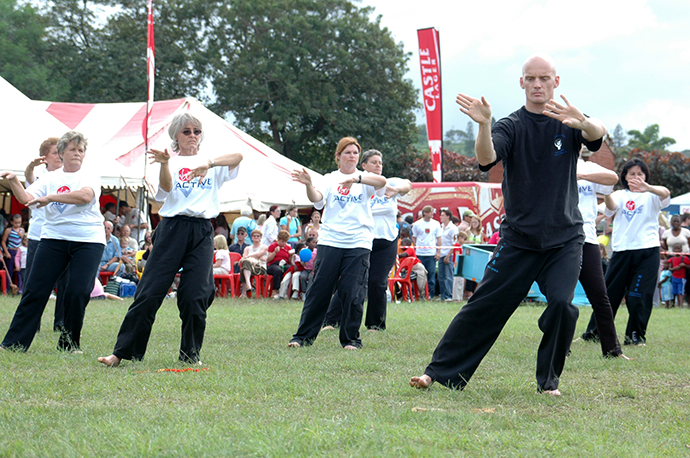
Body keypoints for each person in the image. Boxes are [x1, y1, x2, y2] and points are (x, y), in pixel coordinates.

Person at [410, 54, 607, 395]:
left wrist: (585, 123)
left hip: (564, 238)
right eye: (531, 78)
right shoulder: (510, 125)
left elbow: (597, 135)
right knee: (483, 306)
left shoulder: (569, 122)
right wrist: (484, 125)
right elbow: (487, 159)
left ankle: (548, 382)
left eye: (544, 78)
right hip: (519, 239)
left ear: (555, 82)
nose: (537, 84)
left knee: (562, 305)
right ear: (522, 83)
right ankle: (437, 372)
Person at [98, 112, 242, 367]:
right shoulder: (170, 162)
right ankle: (121, 353)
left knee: (196, 295)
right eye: (186, 131)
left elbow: (238, 156)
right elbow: (163, 194)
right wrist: (165, 164)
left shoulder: (212, 163)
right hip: (172, 228)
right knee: (149, 292)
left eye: (196, 131)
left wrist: (208, 163)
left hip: (201, 230)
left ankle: (190, 354)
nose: (192, 136)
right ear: (176, 135)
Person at [0, 131, 105, 352]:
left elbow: (85, 196)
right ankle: (13, 344)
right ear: (61, 153)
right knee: (35, 290)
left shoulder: (90, 175)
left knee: (77, 291)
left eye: (80, 150)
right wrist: (14, 182)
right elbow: (27, 199)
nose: (77, 153)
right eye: (72, 149)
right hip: (53, 238)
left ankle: (69, 343)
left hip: (88, 240)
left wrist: (50, 198)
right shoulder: (50, 178)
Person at [288, 136, 386, 349]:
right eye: (348, 152)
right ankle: (302, 337)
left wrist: (358, 180)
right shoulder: (329, 178)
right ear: (338, 156)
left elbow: (382, 182)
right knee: (319, 290)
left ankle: (351, 339)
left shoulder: (366, 177)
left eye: (355, 152)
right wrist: (308, 185)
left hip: (359, 241)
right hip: (331, 239)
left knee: (353, 291)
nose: (352, 156)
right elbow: (317, 199)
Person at [581, 158, 670, 346]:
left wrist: (647, 187)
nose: (636, 177)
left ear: (645, 176)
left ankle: (635, 336)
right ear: (625, 177)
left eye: (640, 173)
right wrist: (607, 192)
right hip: (622, 251)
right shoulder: (620, 195)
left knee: (638, 296)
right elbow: (610, 208)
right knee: (608, 295)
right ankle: (594, 333)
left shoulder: (652, 195)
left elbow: (666, 193)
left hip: (647, 252)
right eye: (632, 174)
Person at [322, 149, 412, 330]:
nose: (378, 166)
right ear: (363, 166)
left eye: (380, 162)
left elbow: (408, 184)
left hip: (387, 241)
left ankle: (375, 324)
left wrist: (397, 190)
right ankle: (332, 321)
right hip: (362, 240)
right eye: (374, 162)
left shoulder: (388, 182)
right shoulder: (356, 183)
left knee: (377, 282)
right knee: (351, 279)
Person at [575, 157, 627, 358]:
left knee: (600, 295)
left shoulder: (588, 167)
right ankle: (561, 347)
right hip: (562, 239)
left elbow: (612, 178)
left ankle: (613, 350)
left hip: (588, 238)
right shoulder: (552, 161)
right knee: (562, 297)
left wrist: (580, 175)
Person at [411, 205, 442, 299]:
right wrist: (417, 247)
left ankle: (430, 295)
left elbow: (439, 238)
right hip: (420, 253)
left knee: (431, 275)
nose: (433, 213)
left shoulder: (436, 224)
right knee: (419, 274)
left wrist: (438, 252)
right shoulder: (417, 224)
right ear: (425, 213)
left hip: (431, 253)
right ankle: (418, 294)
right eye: (431, 212)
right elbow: (414, 237)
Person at [239, 229, 268, 298]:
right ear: (251, 237)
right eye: (254, 236)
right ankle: (248, 285)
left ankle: (244, 292)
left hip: (260, 267)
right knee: (245, 264)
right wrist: (256, 256)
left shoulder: (264, 247)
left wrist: (249, 256)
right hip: (250, 267)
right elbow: (244, 257)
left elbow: (258, 254)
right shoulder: (247, 248)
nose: (256, 237)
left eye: (258, 236)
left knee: (244, 266)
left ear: (261, 237)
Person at [439, 209, 459, 302]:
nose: (441, 217)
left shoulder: (453, 228)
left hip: (448, 254)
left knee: (448, 275)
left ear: (448, 216)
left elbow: (454, 243)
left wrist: (448, 255)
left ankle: (449, 295)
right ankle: (443, 295)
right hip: (441, 253)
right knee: (441, 276)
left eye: (443, 215)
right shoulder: (441, 227)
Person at [266, 230, 293, 299]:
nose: (284, 243)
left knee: (289, 269)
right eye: (282, 241)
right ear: (278, 239)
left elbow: (290, 262)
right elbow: (268, 259)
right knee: (277, 270)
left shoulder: (288, 248)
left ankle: (287, 291)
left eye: (285, 241)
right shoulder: (273, 246)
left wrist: (291, 256)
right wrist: (274, 252)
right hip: (273, 264)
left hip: (284, 264)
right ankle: (274, 290)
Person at [2, 214, 25, 287]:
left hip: (19, 252)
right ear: (11, 222)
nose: (17, 224)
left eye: (19, 223)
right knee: (10, 270)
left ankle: (20, 288)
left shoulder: (22, 230)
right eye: (16, 223)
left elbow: (23, 240)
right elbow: (3, 242)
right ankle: (8, 287)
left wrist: (21, 235)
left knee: (19, 270)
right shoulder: (8, 230)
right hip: (11, 251)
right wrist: (6, 252)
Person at [668, 243, 688, 308]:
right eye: (675, 248)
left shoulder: (684, 258)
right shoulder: (672, 259)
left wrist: (685, 265)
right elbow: (669, 268)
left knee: (681, 292)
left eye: (678, 248)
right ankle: (674, 304)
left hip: (682, 278)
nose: (677, 250)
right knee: (674, 291)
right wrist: (675, 268)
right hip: (674, 277)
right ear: (673, 250)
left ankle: (681, 305)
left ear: (681, 250)